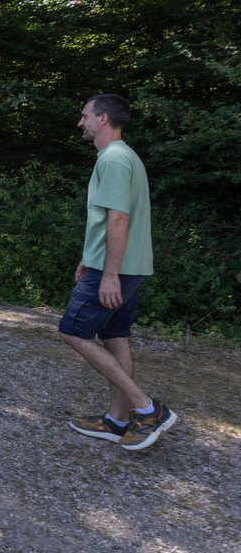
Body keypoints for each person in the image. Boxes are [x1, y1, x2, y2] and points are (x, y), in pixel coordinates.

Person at [61, 94, 176, 450]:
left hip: (115, 269)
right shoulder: (125, 156)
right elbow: (111, 218)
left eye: (85, 116)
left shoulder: (112, 159)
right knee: (116, 337)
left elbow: (119, 218)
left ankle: (148, 410)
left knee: (73, 332)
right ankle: (116, 420)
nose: (80, 122)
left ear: (104, 118)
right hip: (126, 265)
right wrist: (89, 255)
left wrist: (108, 273)